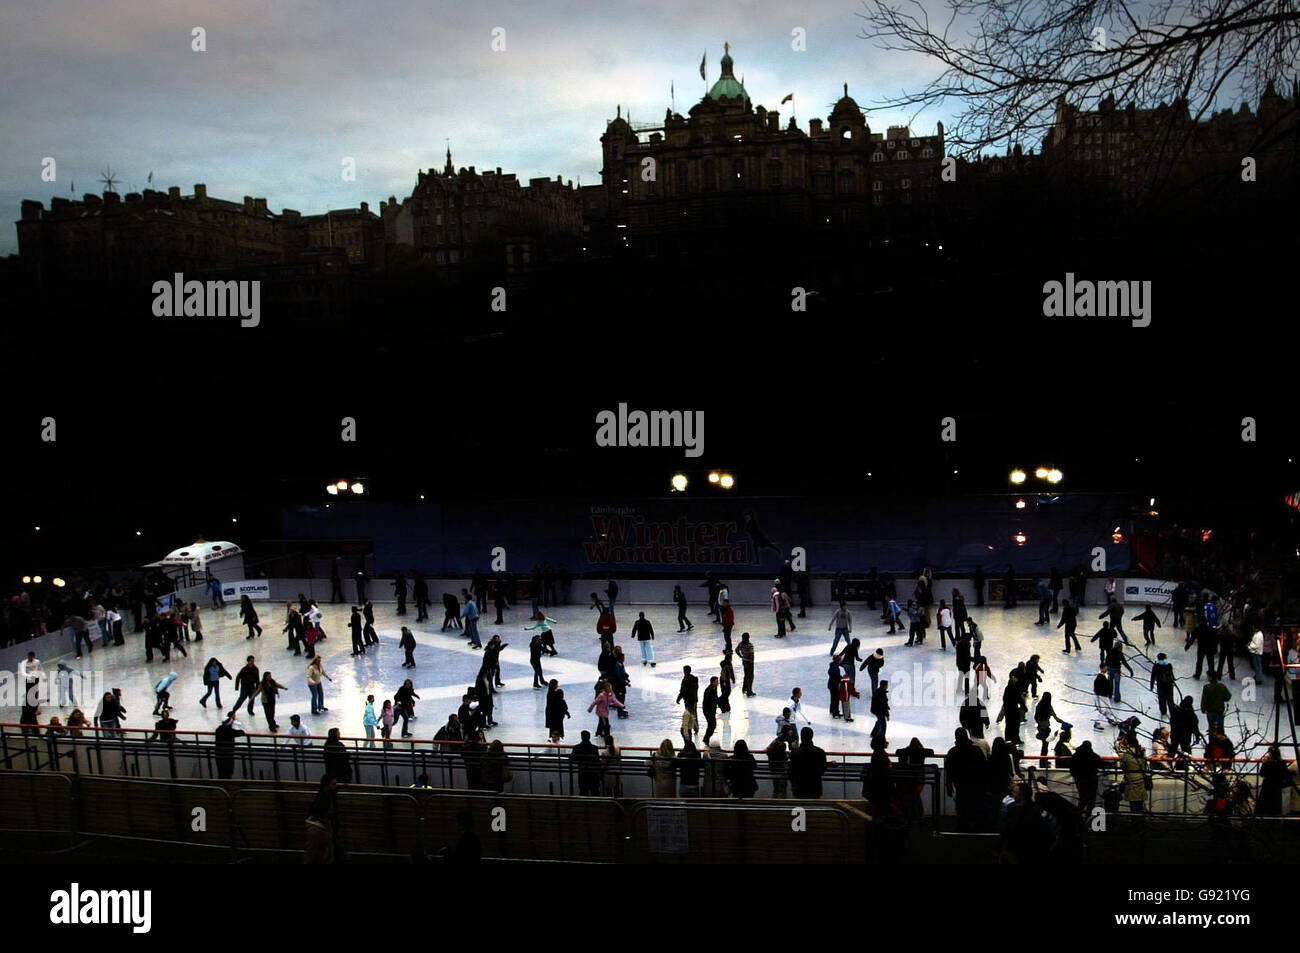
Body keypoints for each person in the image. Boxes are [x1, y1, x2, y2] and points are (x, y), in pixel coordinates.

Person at [944, 727, 988, 831]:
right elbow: (984, 767)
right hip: (976, 784)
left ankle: (962, 827)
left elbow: (949, 771)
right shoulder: (976, 750)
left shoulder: (953, 752)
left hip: (961, 785)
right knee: (976, 805)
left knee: (962, 806)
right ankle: (978, 827)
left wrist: (949, 785)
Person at [1255, 745, 1299, 816]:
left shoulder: (1267, 764)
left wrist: (1264, 763)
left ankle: (1262, 820)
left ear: (1270, 754)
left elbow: (1262, 774)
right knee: (1275, 806)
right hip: (1277, 787)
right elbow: (1286, 775)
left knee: (1263, 806)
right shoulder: (1282, 764)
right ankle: (1275, 820)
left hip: (1267, 787)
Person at [788, 726, 828, 798]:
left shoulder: (795, 754)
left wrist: (793, 750)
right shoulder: (820, 752)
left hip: (799, 788)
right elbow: (823, 769)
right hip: (815, 787)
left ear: (801, 737)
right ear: (812, 736)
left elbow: (791, 771)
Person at [213, 711, 245, 779]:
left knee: (221, 770)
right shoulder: (230, 731)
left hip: (218, 753)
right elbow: (242, 732)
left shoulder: (218, 730)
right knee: (228, 770)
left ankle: (222, 783)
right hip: (228, 754)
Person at [571, 730, 603, 796]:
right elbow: (597, 761)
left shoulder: (576, 748)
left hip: (583, 773)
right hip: (593, 774)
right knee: (595, 792)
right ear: (589, 737)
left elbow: (573, 759)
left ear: (581, 737)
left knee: (583, 792)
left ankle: (584, 806)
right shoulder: (594, 748)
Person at [1149, 653, 1178, 717]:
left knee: (1162, 699)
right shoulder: (1169, 665)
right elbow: (1171, 675)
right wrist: (1173, 680)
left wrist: (1151, 686)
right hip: (1169, 685)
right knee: (1170, 699)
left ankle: (1163, 711)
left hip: (1160, 685)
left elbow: (1153, 676)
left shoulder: (1156, 666)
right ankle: (1172, 712)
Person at [702, 676, 720, 745]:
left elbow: (715, 698)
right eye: (716, 681)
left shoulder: (714, 688)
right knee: (712, 725)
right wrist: (707, 711)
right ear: (713, 682)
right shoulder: (709, 690)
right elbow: (705, 701)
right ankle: (706, 739)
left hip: (711, 710)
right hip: (708, 711)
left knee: (712, 725)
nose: (718, 683)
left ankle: (706, 738)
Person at [737, 631, 756, 696]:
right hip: (749, 663)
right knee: (750, 677)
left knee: (746, 675)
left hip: (744, 661)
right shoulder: (750, 645)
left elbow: (736, 650)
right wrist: (751, 661)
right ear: (748, 637)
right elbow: (751, 654)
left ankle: (744, 688)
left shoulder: (741, 644)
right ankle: (749, 691)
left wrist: (741, 656)